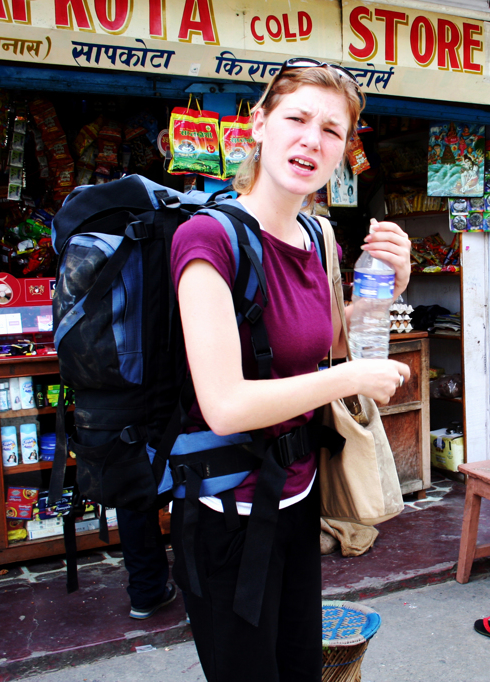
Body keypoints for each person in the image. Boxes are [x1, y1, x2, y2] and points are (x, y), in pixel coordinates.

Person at [169, 58, 412, 681]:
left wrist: (389, 287)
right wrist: (352, 380)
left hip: (297, 497)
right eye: (297, 118)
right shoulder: (207, 240)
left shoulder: (319, 235)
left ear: (343, 149)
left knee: (304, 670)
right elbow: (224, 403)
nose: (312, 139)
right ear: (259, 124)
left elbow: (327, 342)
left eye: (332, 130)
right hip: (227, 513)